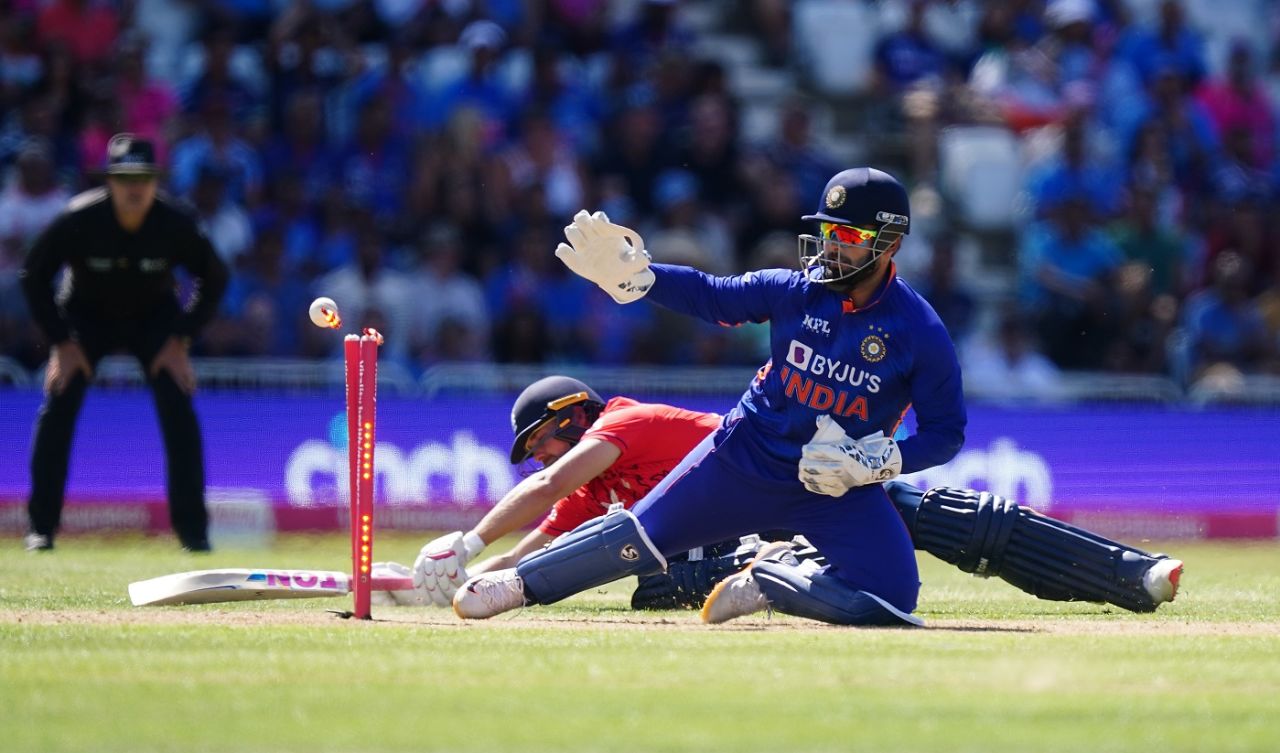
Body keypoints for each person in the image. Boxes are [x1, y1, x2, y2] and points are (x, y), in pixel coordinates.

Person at [447, 168, 952, 626]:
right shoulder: (794, 290)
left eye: (849, 236)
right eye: (827, 233)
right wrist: (643, 279)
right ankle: (516, 585)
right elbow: (714, 295)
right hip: (745, 458)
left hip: (835, 482)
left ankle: (773, 578)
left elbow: (946, 433)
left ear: (890, 243)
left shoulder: (920, 331)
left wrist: (879, 461)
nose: (831, 248)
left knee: (893, 597)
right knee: (638, 537)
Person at [415, 376, 1183, 614]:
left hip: (790, 479)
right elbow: (545, 534)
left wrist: (467, 540)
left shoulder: (621, 424)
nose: (541, 457)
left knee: (947, 518)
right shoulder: (601, 485)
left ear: (571, 419)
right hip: (752, 527)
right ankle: (783, 563)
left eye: (542, 440)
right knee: (659, 584)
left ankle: (1131, 574)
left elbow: (549, 483)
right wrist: (461, 574)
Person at [18, 134, 229, 552]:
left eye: (143, 178)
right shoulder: (79, 217)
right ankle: (41, 529)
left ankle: (194, 534)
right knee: (58, 405)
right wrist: (61, 342)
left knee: (179, 408)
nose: (135, 188)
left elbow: (216, 277)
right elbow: (34, 276)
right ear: (109, 182)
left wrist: (181, 339)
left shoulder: (175, 222)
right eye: (125, 178)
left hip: (154, 320)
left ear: (155, 182)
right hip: (85, 318)